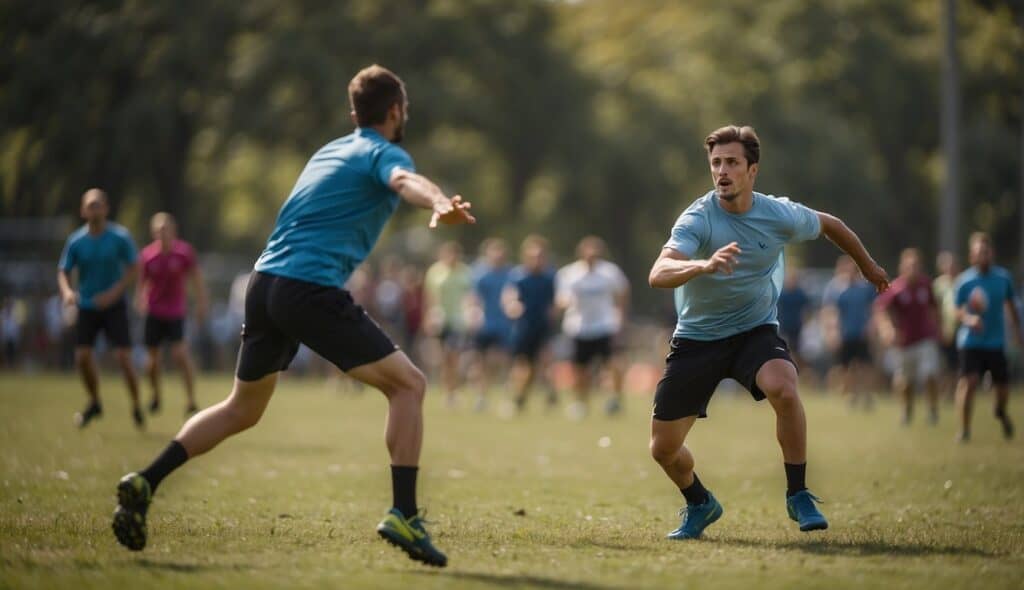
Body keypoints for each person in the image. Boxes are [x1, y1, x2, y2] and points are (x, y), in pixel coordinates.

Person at [111, 65, 474, 567]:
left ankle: (145, 481)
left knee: (243, 407)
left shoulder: (329, 150)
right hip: (307, 286)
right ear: (396, 112)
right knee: (409, 385)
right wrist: (438, 202)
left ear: (353, 114)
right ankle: (404, 514)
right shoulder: (382, 151)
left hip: (264, 284)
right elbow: (404, 178)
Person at [647, 125, 889, 541]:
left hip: (753, 329)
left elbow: (832, 225)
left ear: (752, 170)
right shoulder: (698, 217)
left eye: (732, 163)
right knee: (663, 449)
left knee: (785, 386)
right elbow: (658, 272)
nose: (722, 171)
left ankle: (799, 494)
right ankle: (700, 503)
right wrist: (701, 266)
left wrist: (868, 267)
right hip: (697, 337)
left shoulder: (777, 214)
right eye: (716, 163)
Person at [57, 189, 143, 429]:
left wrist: (115, 293)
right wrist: (66, 292)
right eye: (90, 205)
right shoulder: (76, 241)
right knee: (82, 357)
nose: (94, 210)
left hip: (114, 306)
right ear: (83, 211)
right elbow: (63, 270)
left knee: (124, 358)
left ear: (106, 208)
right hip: (87, 305)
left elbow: (134, 267)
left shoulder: (120, 237)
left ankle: (136, 405)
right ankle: (95, 401)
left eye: (98, 205)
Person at [136, 212, 209, 416]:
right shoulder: (147, 256)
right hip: (154, 311)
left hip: (176, 311)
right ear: (153, 233)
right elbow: (142, 283)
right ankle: (156, 395)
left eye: (166, 229)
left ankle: (191, 399)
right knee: (152, 360)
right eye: (159, 230)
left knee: (180, 355)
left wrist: (202, 303)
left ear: (173, 230)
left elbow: (196, 278)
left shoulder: (184, 253)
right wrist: (140, 300)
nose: (163, 233)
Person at [953, 232, 1022, 443]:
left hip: (995, 342)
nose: (983, 256)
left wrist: (1017, 333)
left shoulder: (1003, 278)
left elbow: (1010, 306)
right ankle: (964, 430)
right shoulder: (965, 281)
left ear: (991, 253)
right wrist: (968, 319)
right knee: (970, 381)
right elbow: (957, 310)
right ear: (972, 256)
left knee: (1002, 388)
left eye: (986, 252)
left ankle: (1000, 412)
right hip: (971, 341)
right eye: (979, 253)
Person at [555, 236, 630, 419]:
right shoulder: (569, 273)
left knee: (613, 365)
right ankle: (581, 403)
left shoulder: (610, 272)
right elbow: (561, 298)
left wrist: (620, 315)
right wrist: (566, 303)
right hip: (579, 327)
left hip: (604, 326)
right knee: (580, 370)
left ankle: (615, 400)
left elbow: (623, 291)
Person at [874, 248, 941, 425]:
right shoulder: (895, 288)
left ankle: (933, 410)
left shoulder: (926, 285)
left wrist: (939, 329)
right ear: (902, 267)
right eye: (909, 266)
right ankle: (906, 410)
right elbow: (881, 311)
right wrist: (888, 329)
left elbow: (935, 308)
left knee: (930, 374)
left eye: (916, 266)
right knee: (904, 382)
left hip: (925, 339)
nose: (913, 269)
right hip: (904, 342)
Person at [504, 235, 557, 412]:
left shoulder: (550, 277)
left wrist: (557, 308)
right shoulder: (518, 277)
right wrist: (512, 305)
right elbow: (509, 295)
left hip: (543, 327)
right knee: (523, 365)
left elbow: (557, 299)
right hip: (524, 327)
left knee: (544, 363)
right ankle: (519, 397)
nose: (537, 260)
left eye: (540, 256)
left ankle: (548, 394)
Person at [822, 255, 877, 409]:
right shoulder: (835, 288)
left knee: (866, 366)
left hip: (861, 333)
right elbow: (829, 312)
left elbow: (873, 309)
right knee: (846, 368)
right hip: (844, 334)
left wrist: (872, 327)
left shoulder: (865, 288)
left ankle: (867, 395)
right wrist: (832, 332)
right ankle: (851, 395)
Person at [423, 241, 473, 407]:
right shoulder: (435, 271)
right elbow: (429, 296)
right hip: (440, 320)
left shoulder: (465, 272)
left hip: (457, 321)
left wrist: (470, 314)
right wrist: (429, 317)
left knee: (454, 356)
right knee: (443, 358)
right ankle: (448, 391)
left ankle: (453, 390)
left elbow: (470, 297)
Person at [468, 238, 512, 412]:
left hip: (504, 326)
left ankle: (505, 397)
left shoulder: (511, 274)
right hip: (484, 325)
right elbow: (473, 297)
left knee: (502, 362)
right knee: (480, 363)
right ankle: (481, 396)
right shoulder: (479, 274)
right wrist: (473, 313)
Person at [932, 251, 961, 396]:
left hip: (961, 329)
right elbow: (934, 307)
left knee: (957, 363)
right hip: (944, 329)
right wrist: (939, 327)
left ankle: (956, 390)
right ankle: (946, 390)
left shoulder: (962, 281)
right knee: (945, 363)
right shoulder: (938, 284)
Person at [776, 268, 810, 363]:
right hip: (783, 327)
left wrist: (805, 321)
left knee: (796, 350)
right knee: (783, 349)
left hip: (796, 327)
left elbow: (806, 309)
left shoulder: (800, 294)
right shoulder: (781, 293)